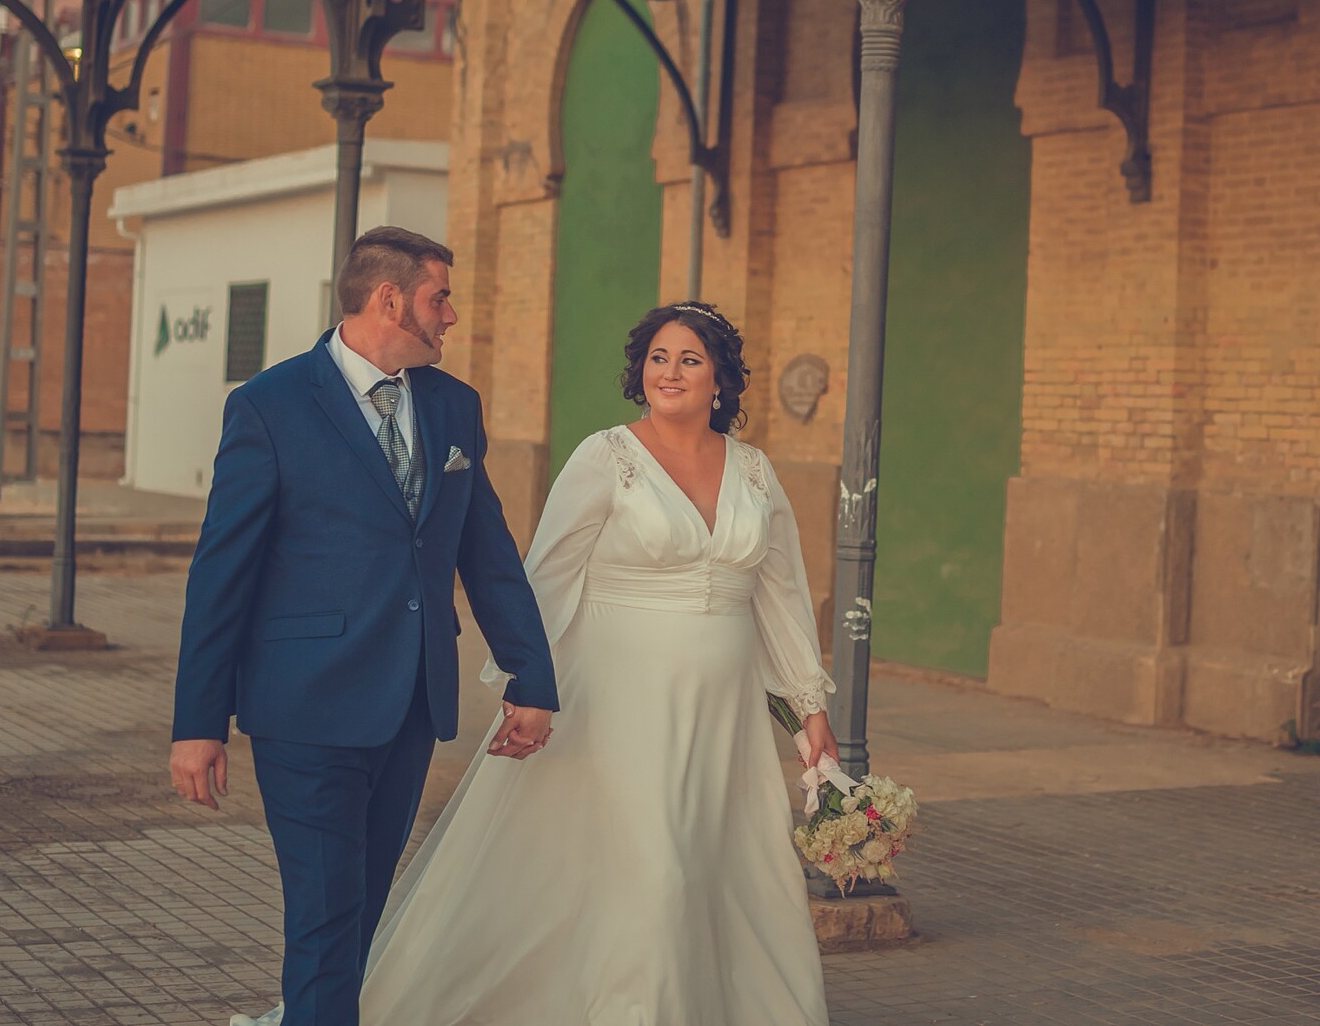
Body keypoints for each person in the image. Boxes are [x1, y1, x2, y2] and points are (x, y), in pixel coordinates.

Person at [357, 300, 836, 1025]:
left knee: (732, 867)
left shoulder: (756, 472)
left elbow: (782, 597)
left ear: (721, 381)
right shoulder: (604, 456)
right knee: (656, 867)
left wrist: (811, 709)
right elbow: (545, 578)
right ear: (640, 373)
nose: (670, 371)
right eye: (658, 357)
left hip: (724, 714)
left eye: (690, 359)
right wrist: (525, 685)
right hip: (621, 702)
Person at [168, 226, 559, 1026]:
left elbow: (487, 553)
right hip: (304, 709)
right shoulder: (269, 406)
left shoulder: (453, 406)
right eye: (439, 297)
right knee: (323, 922)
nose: (451, 315)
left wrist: (532, 675)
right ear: (389, 299)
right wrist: (197, 722)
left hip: (410, 705)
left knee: (356, 921)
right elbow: (221, 574)